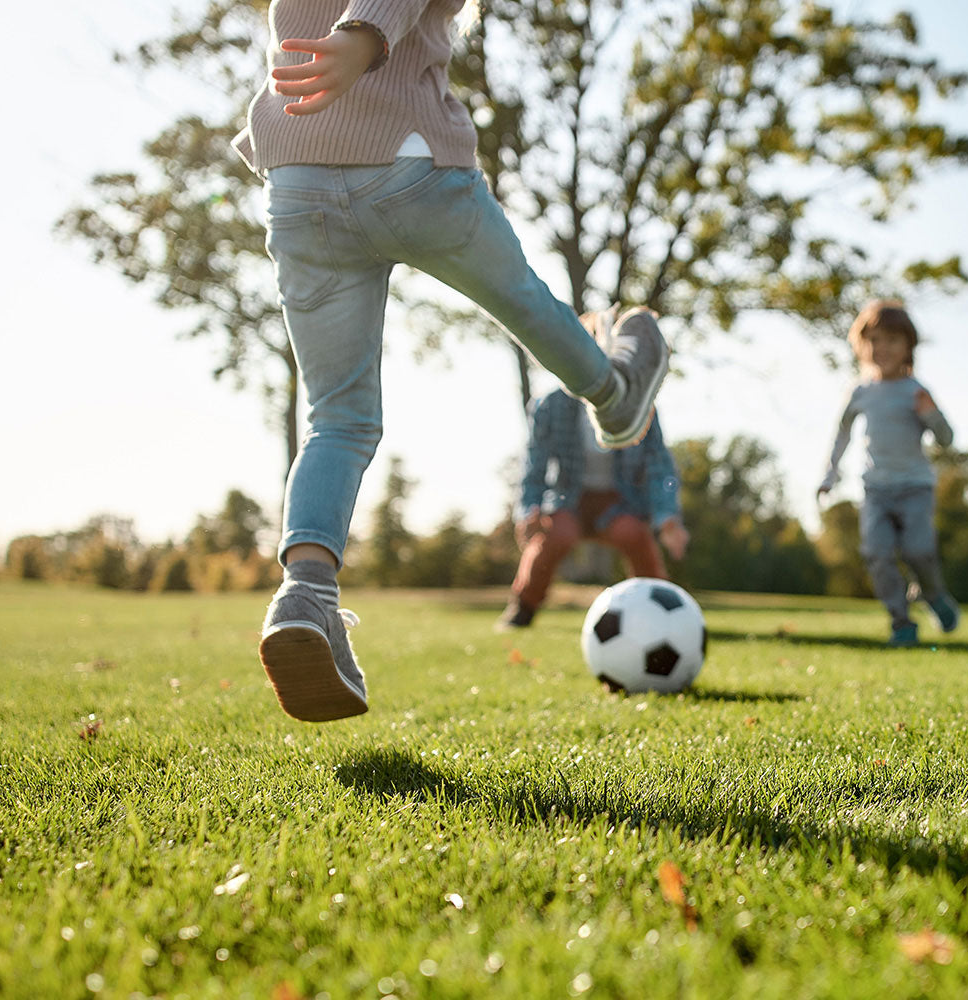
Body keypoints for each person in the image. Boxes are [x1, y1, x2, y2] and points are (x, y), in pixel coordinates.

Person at [239, 1, 669, 722]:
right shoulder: (372, 38)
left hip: (297, 181)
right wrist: (363, 36)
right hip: (410, 164)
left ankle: (304, 593)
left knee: (337, 420)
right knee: (525, 302)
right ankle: (613, 392)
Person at [499, 309, 690, 630]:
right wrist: (529, 509)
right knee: (556, 535)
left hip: (617, 501)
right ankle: (523, 607)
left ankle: (662, 611)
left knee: (635, 535)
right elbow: (534, 464)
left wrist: (667, 516)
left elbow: (659, 465)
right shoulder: (550, 406)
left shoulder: (639, 406)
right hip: (567, 499)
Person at [818, 301, 959, 646]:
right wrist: (830, 474)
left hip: (915, 487)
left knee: (918, 551)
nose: (882, 348)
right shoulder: (860, 391)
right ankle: (901, 622)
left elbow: (946, 439)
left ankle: (932, 594)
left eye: (892, 340)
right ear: (861, 345)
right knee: (877, 554)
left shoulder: (916, 391)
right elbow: (841, 434)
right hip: (876, 491)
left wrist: (930, 414)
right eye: (875, 340)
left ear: (909, 346)